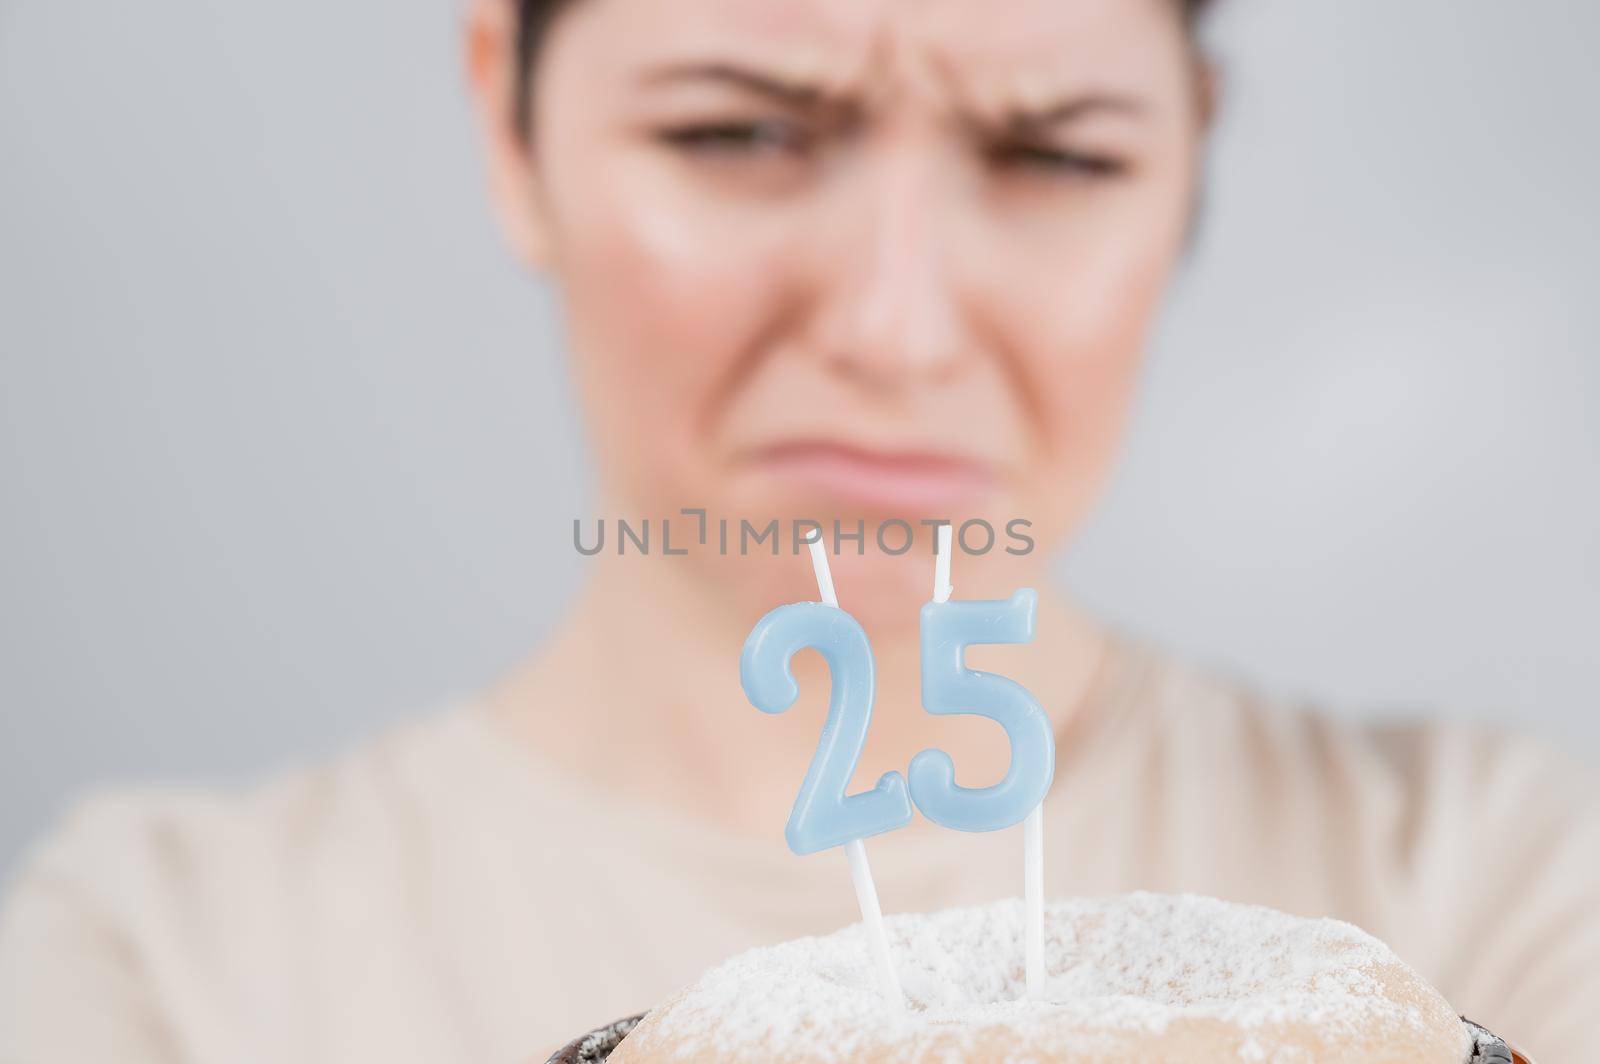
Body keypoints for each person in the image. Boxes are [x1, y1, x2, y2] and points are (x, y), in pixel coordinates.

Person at [2, 0, 1596, 1061]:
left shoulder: (1512, 879)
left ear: (1190, 160)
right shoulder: (156, 958)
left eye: (1059, 155)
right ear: (511, 127)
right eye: (737, 134)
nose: (896, 327)